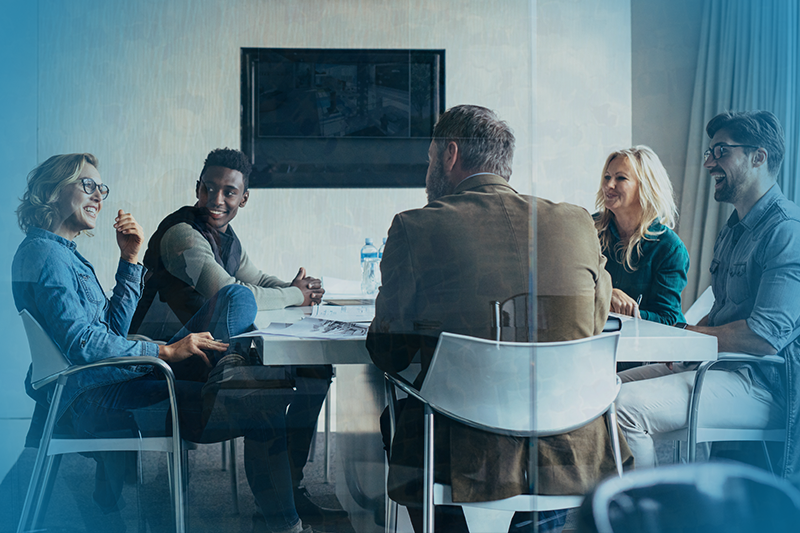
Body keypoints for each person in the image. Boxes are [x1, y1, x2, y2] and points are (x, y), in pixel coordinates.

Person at [13, 153, 315, 533]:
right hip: (101, 393)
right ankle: (286, 524)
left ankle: (226, 376)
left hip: (111, 378)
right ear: (52, 191)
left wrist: (129, 258)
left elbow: (110, 331)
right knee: (262, 404)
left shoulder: (59, 255)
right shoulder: (46, 256)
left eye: (100, 188)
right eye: (86, 185)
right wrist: (164, 352)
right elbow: (83, 344)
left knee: (240, 312)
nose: (98, 197)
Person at [367, 105, 633, 533]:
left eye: (430, 158)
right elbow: (594, 319)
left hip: (463, 443)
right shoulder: (577, 221)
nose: (428, 170)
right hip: (572, 439)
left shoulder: (414, 227)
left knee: (397, 417)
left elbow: (388, 351)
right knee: (543, 423)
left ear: (450, 154)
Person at [129, 147, 343, 524]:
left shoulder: (227, 238)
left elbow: (258, 280)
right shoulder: (182, 234)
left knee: (315, 368)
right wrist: (294, 296)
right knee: (242, 320)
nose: (216, 199)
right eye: (209, 189)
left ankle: (289, 485)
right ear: (197, 188)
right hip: (163, 359)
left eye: (229, 191)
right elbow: (229, 290)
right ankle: (235, 383)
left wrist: (298, 288)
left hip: (206, 354)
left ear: (244, 198)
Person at [615, 111, 800, 479]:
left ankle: (645, 517)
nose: (708, 162)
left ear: (758, 157)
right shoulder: (733, 230)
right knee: (606, 391)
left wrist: (687, 339)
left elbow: (764, 337)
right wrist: (682, 348)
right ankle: (670, 504)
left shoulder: (787, 232)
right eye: (708, 152)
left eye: (720, 151)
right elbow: (720, 310)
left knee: (623, 407)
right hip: (718, 368)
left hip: (763, 382)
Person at [594, 146, 689, 325]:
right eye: (607, 177)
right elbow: (570, 283)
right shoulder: (590, 229)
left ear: (646, 187)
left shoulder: (670, 248)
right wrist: (607, 293)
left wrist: (627, 312)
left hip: (646, 344)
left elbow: (668, 318)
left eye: (620, 178)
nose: (608, 185)